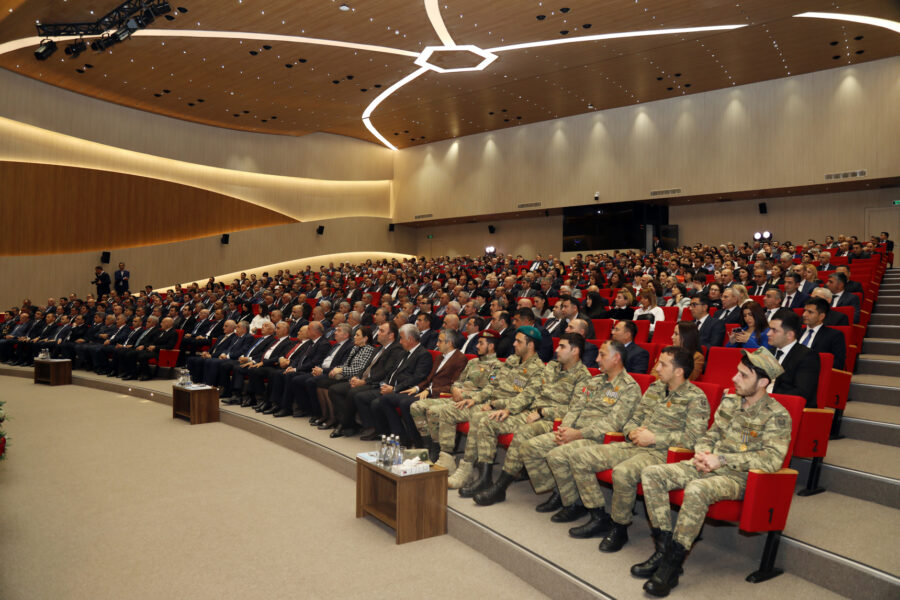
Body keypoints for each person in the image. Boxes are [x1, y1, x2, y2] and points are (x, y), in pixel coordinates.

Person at [636, 347, 791, 597]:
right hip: (708, 463)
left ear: (763, 382)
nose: (734, 379)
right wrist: (703, 453)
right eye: (737, 373)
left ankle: (671, 568)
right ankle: (663, 552)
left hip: (738, 477)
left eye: (743, 375)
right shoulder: (730, 401)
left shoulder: (777, 415)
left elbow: (772, 459)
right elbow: (711, 434)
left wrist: (721, 459)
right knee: (653, 473)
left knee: (697, 489)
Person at [553, 346, 709, 553]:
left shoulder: (695, 398)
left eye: (663, 364)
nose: (656, 367)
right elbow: (632, 419)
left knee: (623, 472)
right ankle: (598, 516)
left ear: (679, 371)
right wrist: (633, 431)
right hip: (633, 445)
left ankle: (620, 527)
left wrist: (654, 438)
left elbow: (694, 439)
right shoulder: (654, 389)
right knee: (579, 457)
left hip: (662, 454)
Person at [520, 340, 642, 514]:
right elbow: (576, 407)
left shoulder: (630, 387)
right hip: (573, 431)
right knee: (529, 447)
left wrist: (578, 434)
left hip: (596, 438)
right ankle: (561, 490)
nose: (597, 359)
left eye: (602, 355)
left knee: (556, 455)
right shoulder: (595, 381)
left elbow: (613, 423)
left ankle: (573, 504)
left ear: (616, 358)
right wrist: (564, 429)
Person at [472, 332, 593, 506]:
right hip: (530, 413)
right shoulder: (551, 366)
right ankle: (485, 478)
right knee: (489, 421)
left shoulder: (583, 377)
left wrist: (544, 412)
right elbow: (531, 392)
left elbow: (574, 409)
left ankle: (500, 488)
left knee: (523, 433)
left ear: (575, 351)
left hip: (552, 420)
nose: (556, 350)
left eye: (562, 346)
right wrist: (508, 409)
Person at [456, 326, 548, 497]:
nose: (513, 344)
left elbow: (527, 397)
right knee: (478, 416)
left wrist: (505, 408)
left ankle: (484, 477)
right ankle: (480, 474)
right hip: (499, 404)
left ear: (530, 345)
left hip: (519, 410)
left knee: (486, 421)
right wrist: (476, 399)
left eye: (518, 341)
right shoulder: (512, 360)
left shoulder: (538, 369)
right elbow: (493, 384)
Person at [425, 330, 503, 472]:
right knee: (431, 410)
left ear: (491, 346)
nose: (477, 346)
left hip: (475, 402)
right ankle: (439, 451)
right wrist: (455, 389)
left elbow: (490, 390)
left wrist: (467, 395)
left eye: (481, 343)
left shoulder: (497, 366)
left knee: (445, 412)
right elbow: (458, 381)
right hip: (458, 397)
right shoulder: (472, 362)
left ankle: (447, 455)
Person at [380, 328, 467, 445]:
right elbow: (428, 379)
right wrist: (416, 387)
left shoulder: (460, 359)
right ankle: (401, 436)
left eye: (440, 341)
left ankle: (418, 441)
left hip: (439, 396)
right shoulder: (440, 357)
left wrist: (430, 391)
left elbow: (454, 385)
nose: (437, 344)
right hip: (424, 391)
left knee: (405, 403)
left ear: (449, 343)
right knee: (386, 398)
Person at [767, 309, 820, 408]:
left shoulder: (807, 356)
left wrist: (767, 397)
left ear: (790, 335)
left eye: (774, 330)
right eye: (769, 329)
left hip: (789, 408)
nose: (768, 334)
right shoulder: (768, 352)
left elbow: (801, 392)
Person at [800, 297, 847, 370]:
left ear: (821, 316)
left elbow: (838, 363)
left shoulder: (834, 335)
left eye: (810, 312)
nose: (804, 315)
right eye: (804, 311)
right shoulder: (796, 332)